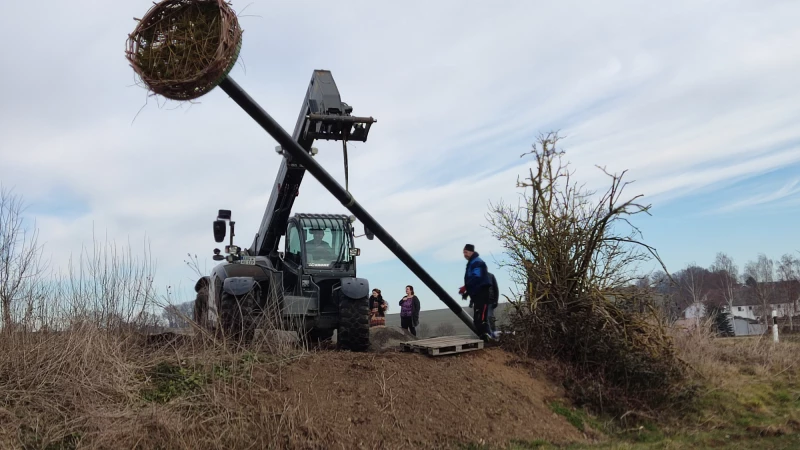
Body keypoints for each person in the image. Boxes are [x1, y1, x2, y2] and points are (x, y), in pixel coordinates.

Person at [460, 244, 493, 341]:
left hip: (482, 294)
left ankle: (487, 338)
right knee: (478, 318)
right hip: (477, 294)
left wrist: (466, 287)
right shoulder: (472, 262)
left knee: (481, 318)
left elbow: (476, 277)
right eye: (463, 253)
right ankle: (484, 337)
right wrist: (467, 292)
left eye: (465, 252)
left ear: (471, 252)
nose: (464, 255)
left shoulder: (477, 262)